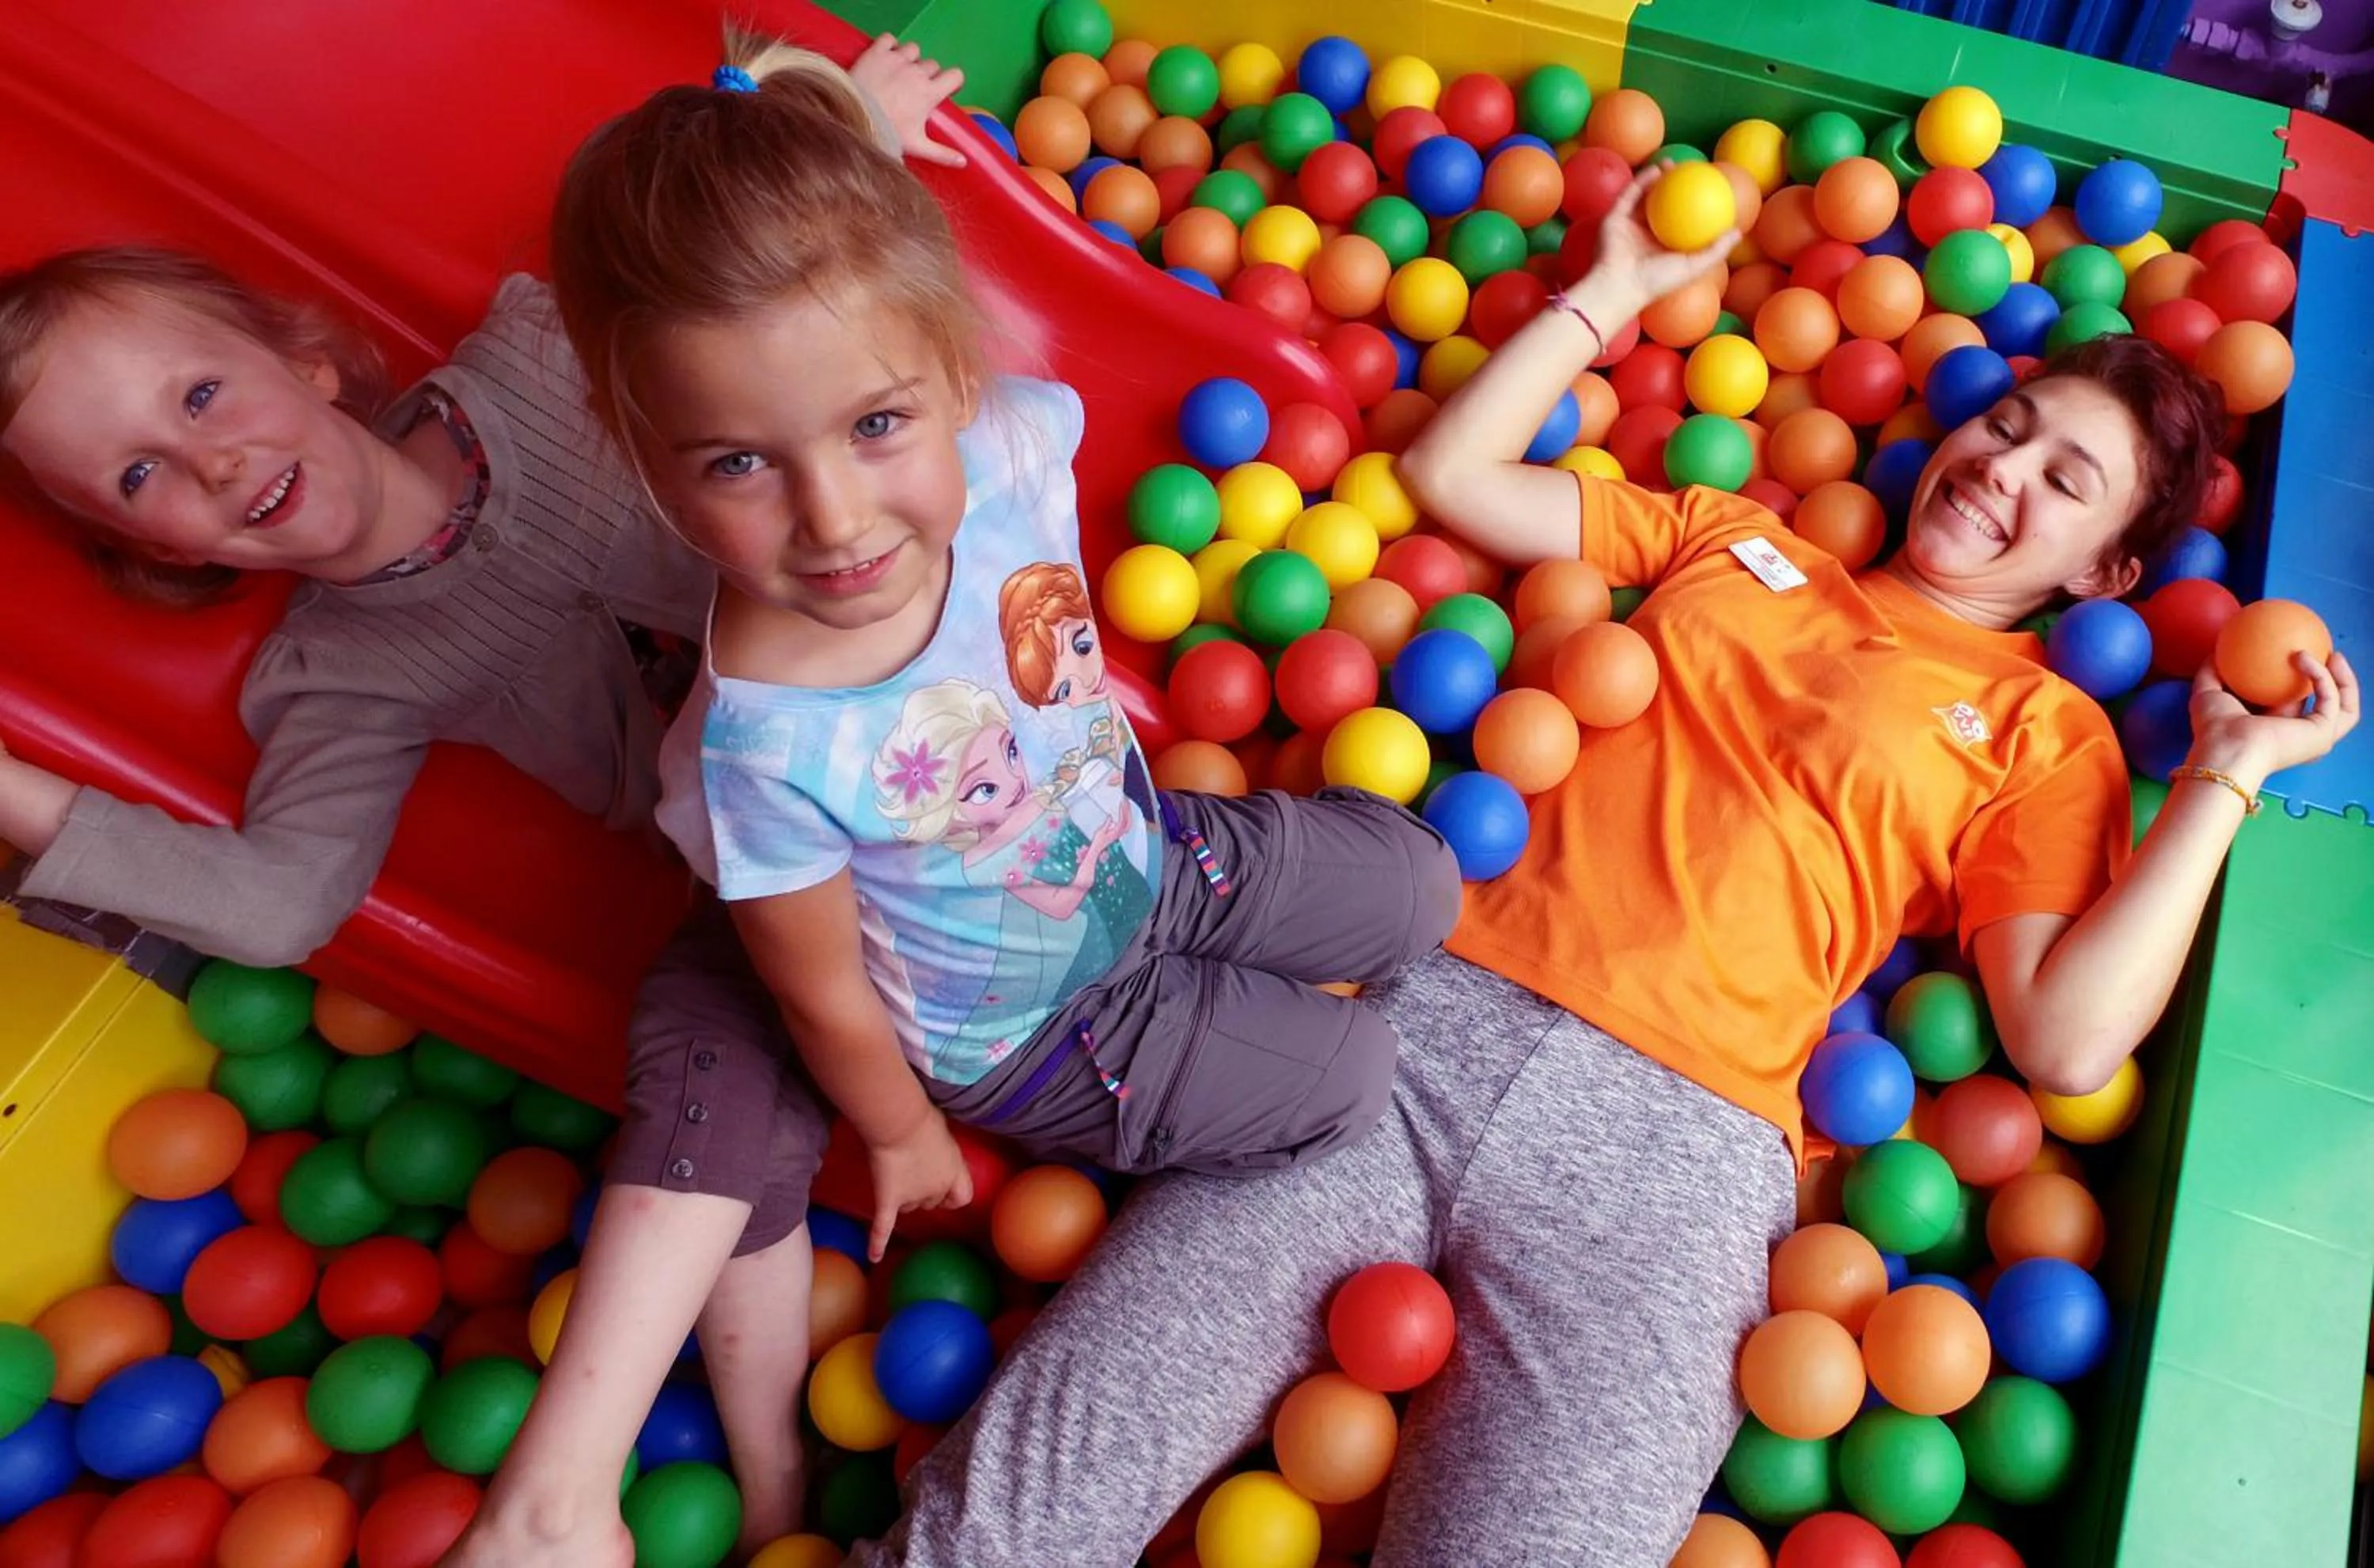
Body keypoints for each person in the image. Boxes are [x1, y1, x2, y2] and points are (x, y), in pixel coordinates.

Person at [841, 166, 2360, 1566]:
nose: (2001, 468)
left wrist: (2223, 782)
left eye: (2067, 482)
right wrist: (1617, 285)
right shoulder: (1732, 537)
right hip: (1391, 1044)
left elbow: (2066, 1034)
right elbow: (1453, 471)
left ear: (2104, 578)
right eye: (2011, 424)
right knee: (1034, 1482)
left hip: (1677, 1160)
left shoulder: (2044, 727)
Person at [457, 30, 1458, 1567]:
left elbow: (877, 293)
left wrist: (847, 125)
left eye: (875, 426)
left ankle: (1240, 984)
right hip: (1041, 1028)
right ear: (652, 470)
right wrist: (904, 1126)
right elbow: (821, 990)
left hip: (1150, 853)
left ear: (948, 372)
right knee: (1351, 1077)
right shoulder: (768, 747)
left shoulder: (1008, 440)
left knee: (1421, 888)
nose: (836, 517)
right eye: (739, 464)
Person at [0, 37, 969, 1561]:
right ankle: (770, 1480)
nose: (208, 457)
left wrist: (858, 135)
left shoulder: (541, 356)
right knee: (711, 1072)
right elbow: (282, 900)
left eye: (202, 392)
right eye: (137, 477)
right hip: (768, 898)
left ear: (302, 358)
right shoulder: (338, 678)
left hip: (937, 753)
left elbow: (754, 316)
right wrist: (18, 796)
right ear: (159, 549)